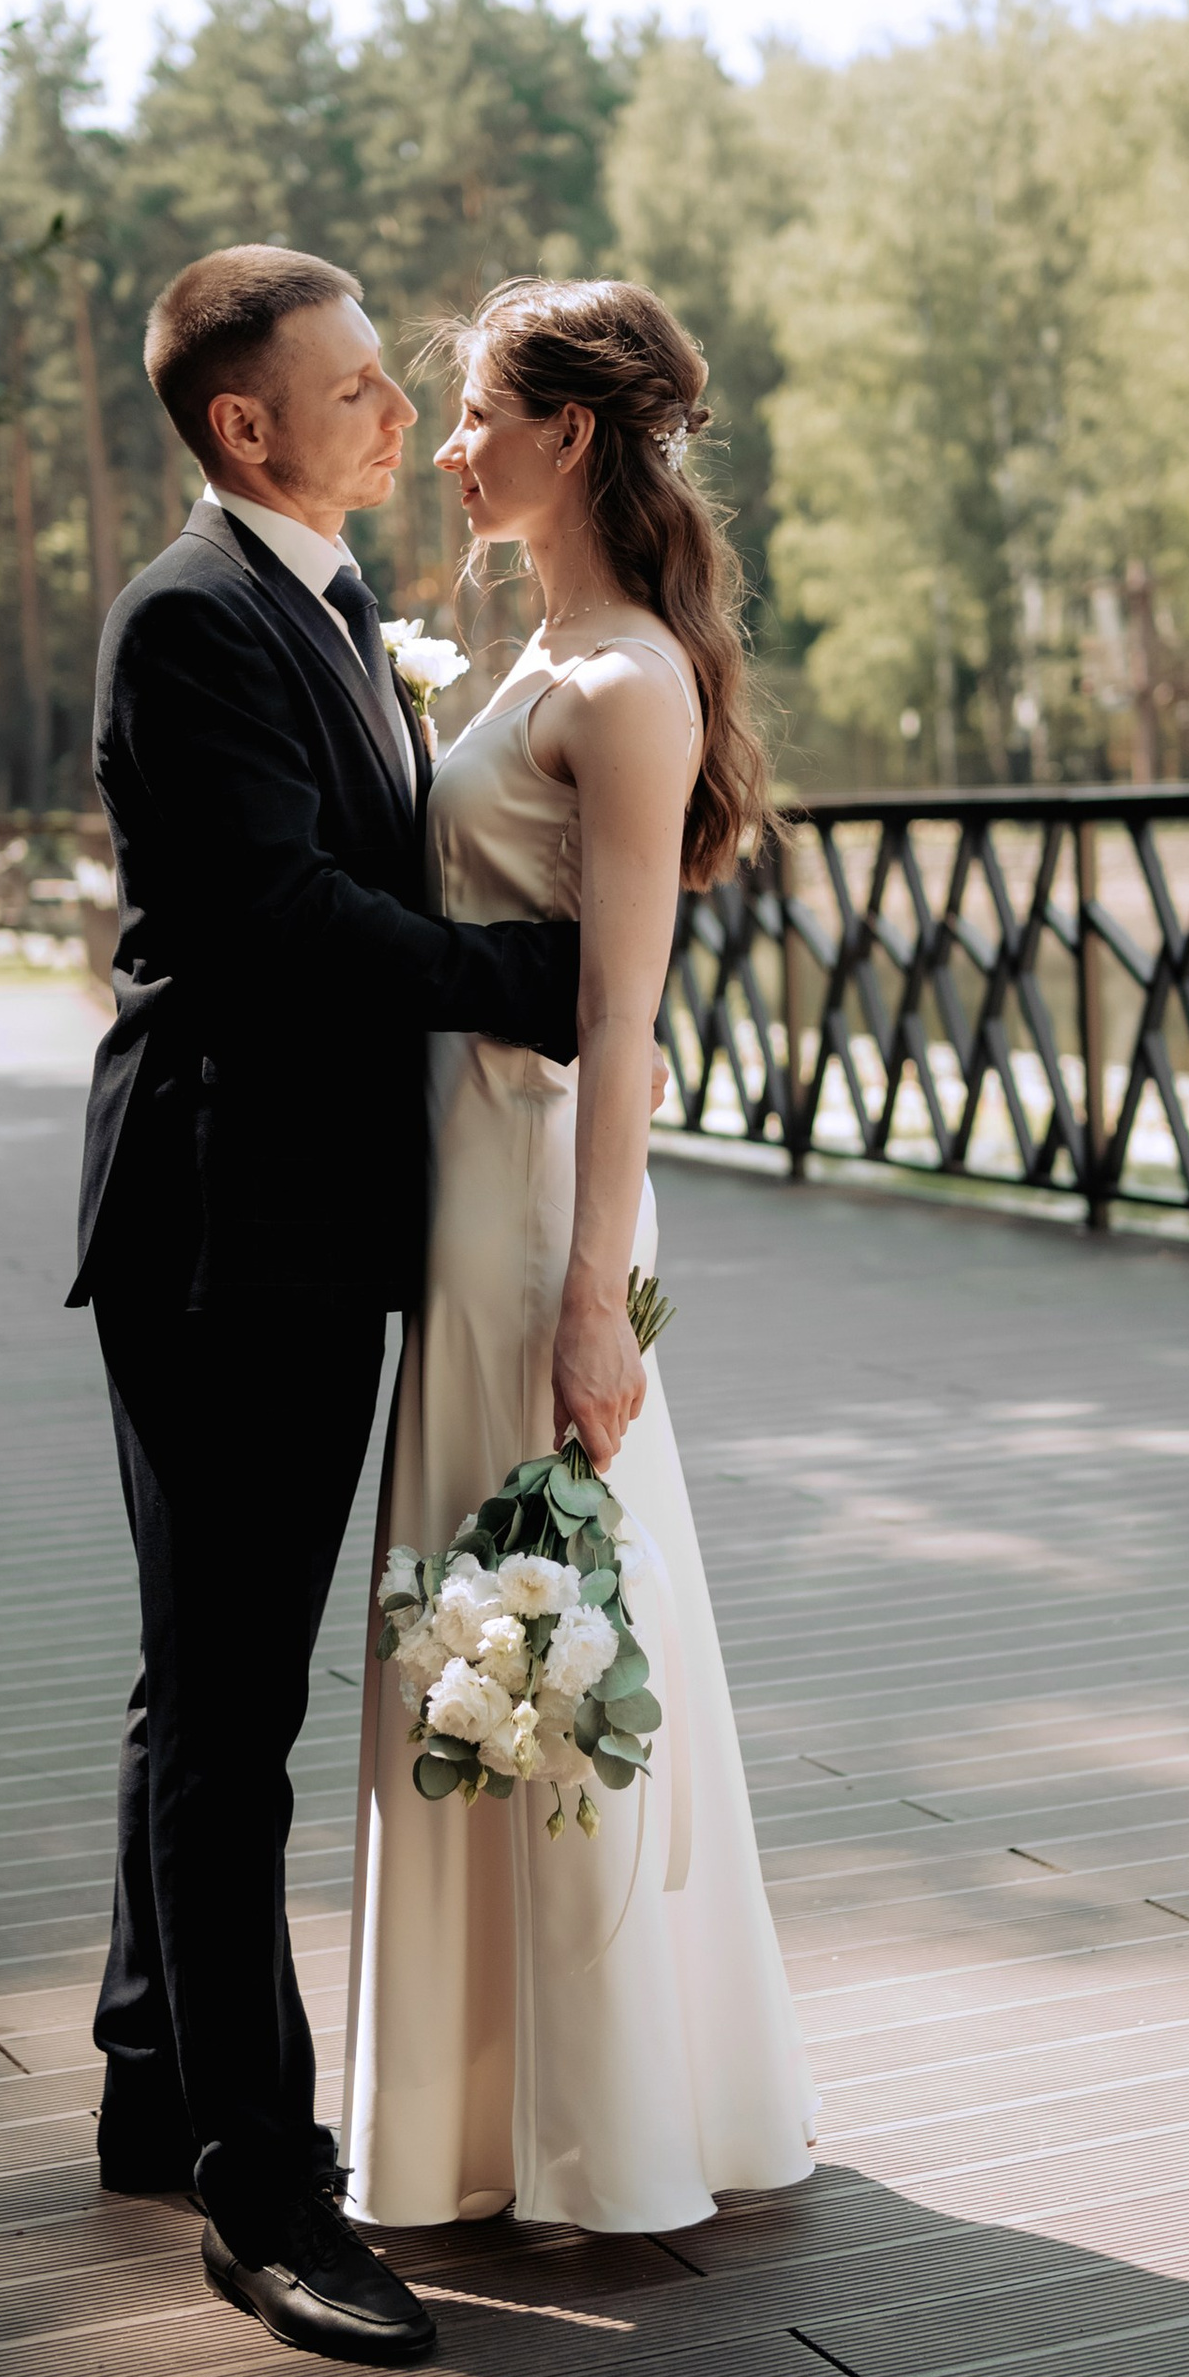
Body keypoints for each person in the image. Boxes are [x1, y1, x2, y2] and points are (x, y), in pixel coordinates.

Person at [71, 246, 581, 2369]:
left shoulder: (321, 605)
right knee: (226, 1719)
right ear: (244, 427)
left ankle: (145, 2078)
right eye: (355, 387)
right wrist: (515, 987)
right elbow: (274, 914)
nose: (396, 412)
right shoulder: (194, 616)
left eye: (394, 381)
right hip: (225, 1230)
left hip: (299, 1221)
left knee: (198, 1675)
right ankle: (263, 2195)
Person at [340, 276, 816, 2233]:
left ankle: (599, 2127)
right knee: (459, 1614)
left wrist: (591, 1301)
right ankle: (457, 2124)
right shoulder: (527, 662)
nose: (446, 448)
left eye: (472, 414)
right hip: (454, 1191)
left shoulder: (626, 686)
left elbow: (620, 1019)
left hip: (538, 1196)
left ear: (573, 437)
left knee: (538, 1608)